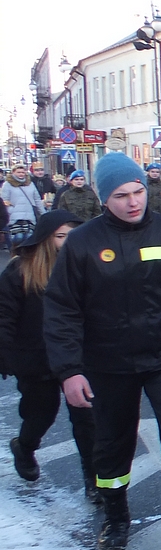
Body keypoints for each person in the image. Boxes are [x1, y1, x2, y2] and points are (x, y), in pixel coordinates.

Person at [44, 153, 161, 550]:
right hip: (108, 363)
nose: (133, 201)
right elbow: (62, 309)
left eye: (138, 191)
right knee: (112, 440)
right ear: (104, 199)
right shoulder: (83, 243)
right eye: (121, 195)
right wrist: (69, 371)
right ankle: (116, 517)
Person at [0, 210, 96, 498]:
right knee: (41, 413)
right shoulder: (20, 271)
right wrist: (5, 354)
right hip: (36, 358)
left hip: (78, 357)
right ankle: (25, 446)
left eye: (73, 235)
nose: (68, 241)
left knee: (87, 419)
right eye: (61, 236)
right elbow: (4, 316)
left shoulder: (87, 266)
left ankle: (94, 480)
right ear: (45, 239)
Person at [2, 164, 46, 239]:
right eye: (18, 172)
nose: (21, 174)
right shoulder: (7, 184)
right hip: (14, 217)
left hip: (29, 216)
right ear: (13, 172)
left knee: (29, 238)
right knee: (18, 238)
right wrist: (10, 211)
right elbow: (4, 200)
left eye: (23, 172)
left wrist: (43, 213)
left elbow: (37, 200)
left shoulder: (30, 184)